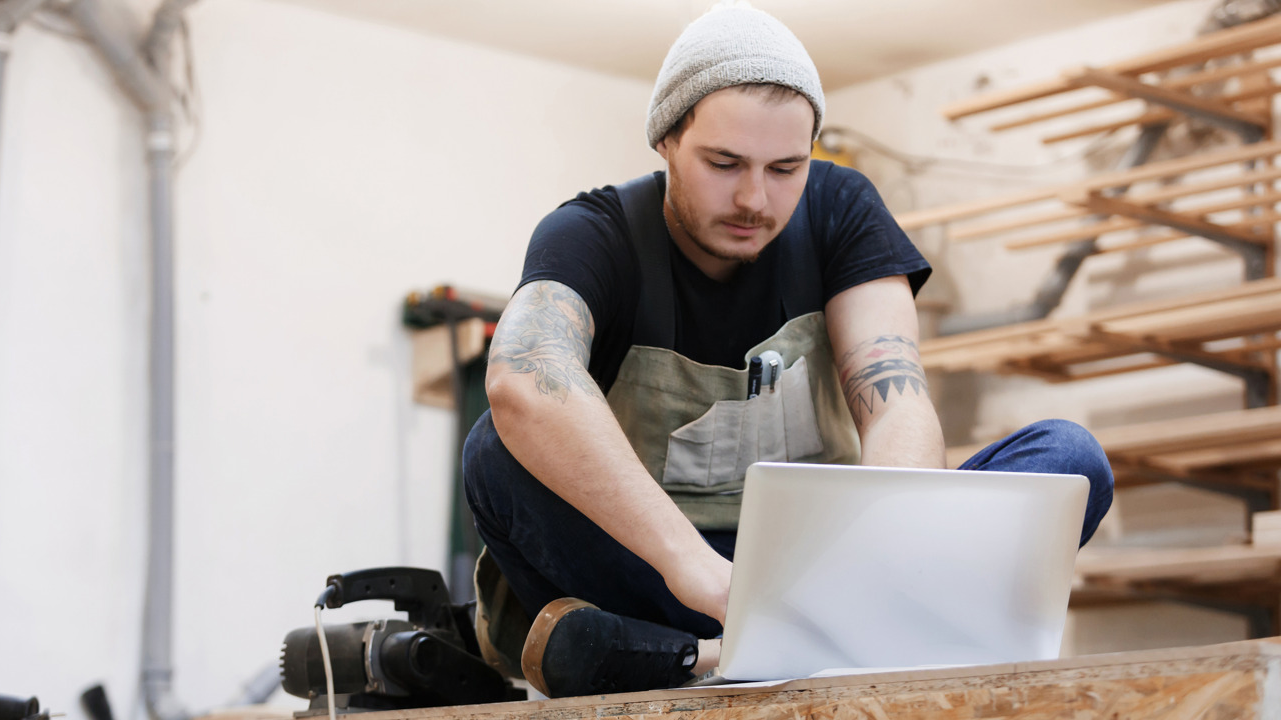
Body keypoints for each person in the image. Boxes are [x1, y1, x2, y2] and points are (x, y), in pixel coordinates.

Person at [461, 2, 1114, 699]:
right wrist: (702, 573)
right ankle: (714, 651)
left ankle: (772, 649)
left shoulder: (841, 209)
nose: (754, 198)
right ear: (665, 141)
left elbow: (898, 400)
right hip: (665, 577)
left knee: (1069, 459)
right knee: (493, 451)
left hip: (826, 577)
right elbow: (524, 383)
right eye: (724, 163)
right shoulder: (594, 234)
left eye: (785, 168)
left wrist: (889, 558)